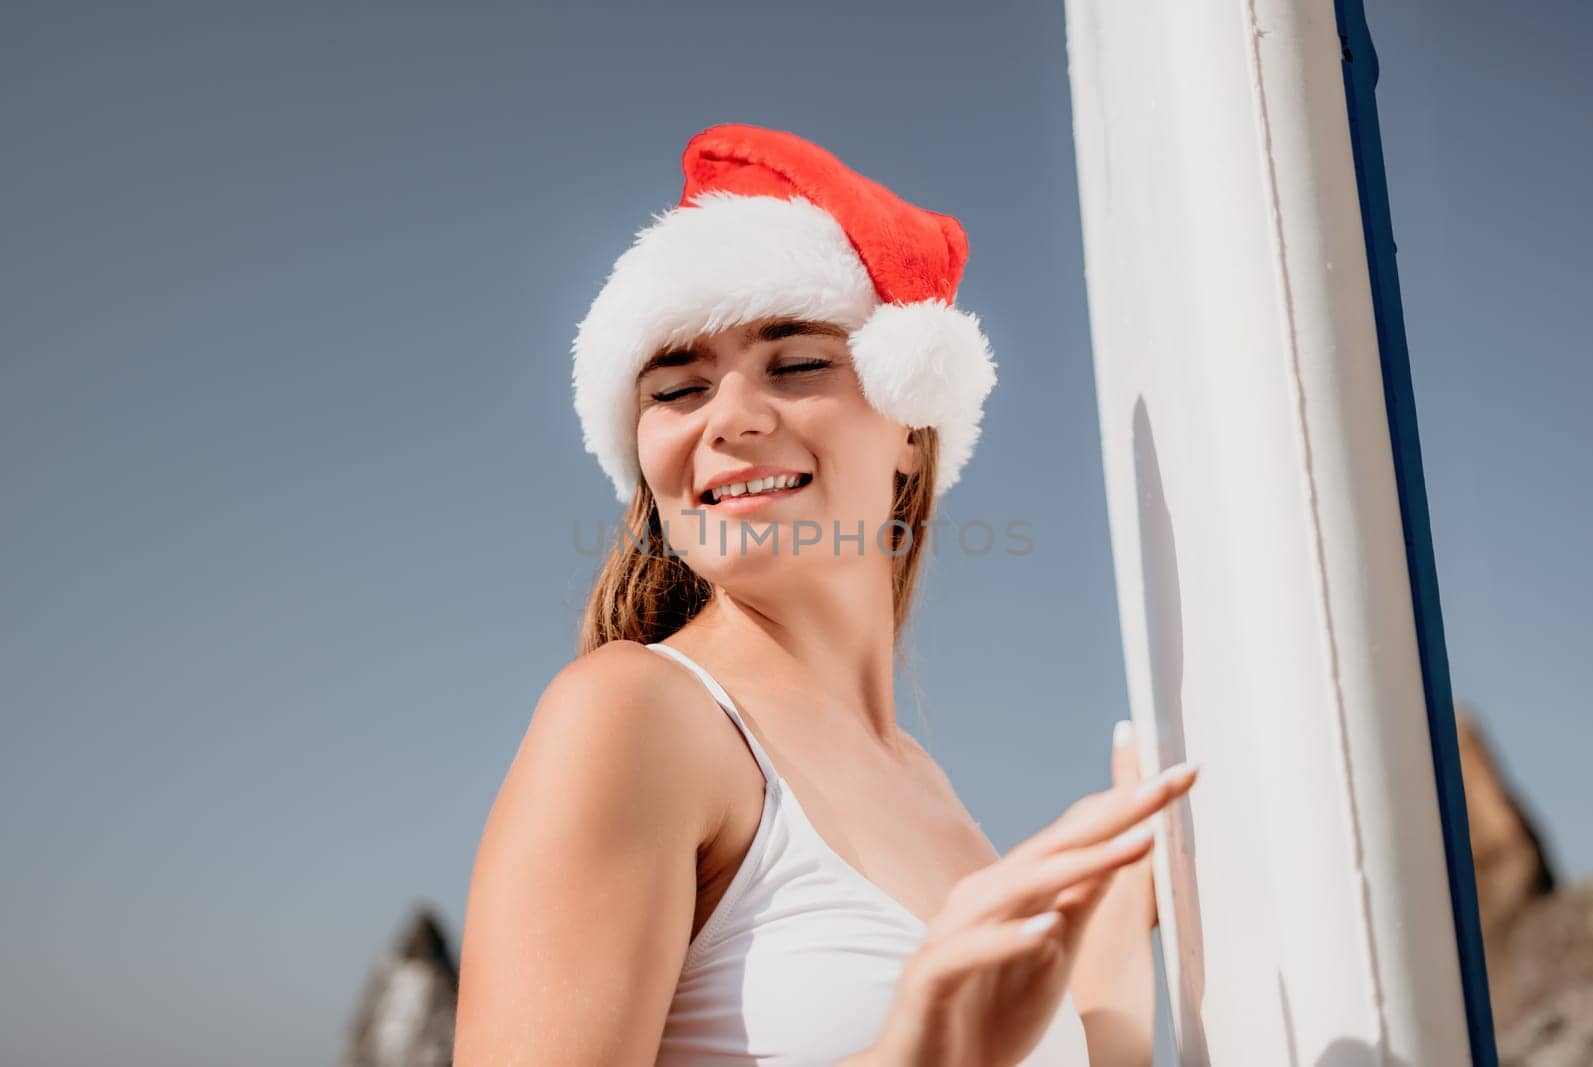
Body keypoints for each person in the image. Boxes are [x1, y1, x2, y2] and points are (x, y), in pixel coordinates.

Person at [455, 123, 1199, 1066]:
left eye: (799, 364)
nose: (730, 419)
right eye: (677, 389)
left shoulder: (934, 792)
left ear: (912, 434)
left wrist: (1121, 899)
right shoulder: (632, 714)